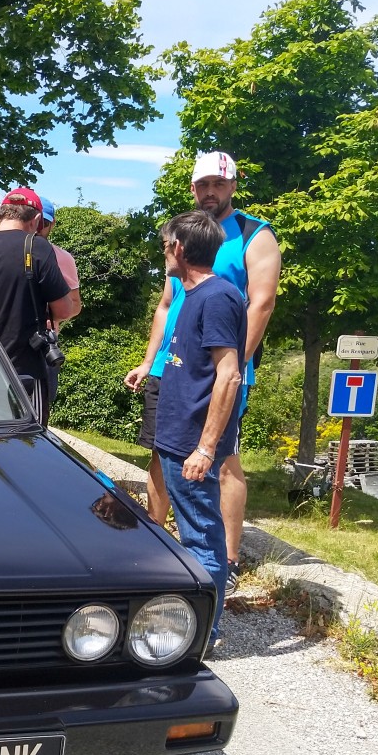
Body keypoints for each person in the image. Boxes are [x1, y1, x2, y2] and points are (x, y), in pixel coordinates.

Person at [124, 151, 281, 591]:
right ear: (193, 188)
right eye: (203, 184)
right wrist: (148, 360)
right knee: (161, 453)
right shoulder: (185, 235)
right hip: (170, 365)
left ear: (233, 186)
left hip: (216, 369)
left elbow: (262, 303)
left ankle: (225, 561)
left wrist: (229, 368)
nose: (211, 192)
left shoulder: (254, 234)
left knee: (222, 461)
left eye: (219, 183)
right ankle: (155, 544)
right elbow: (166, 303)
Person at [153, 210, 246, 653]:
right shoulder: (191, 295)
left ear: (180, 248)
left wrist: (206, 448)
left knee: (202, 539)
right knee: (194, 534)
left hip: (193, 443)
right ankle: (193, 626)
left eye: (165, 245)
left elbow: (229, 374)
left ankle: (201, 636)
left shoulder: (218, 297)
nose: (163, 253)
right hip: (176, 436)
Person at [0, 188, 81, 424]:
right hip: (24, 372)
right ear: (36, 220)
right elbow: (64, 310)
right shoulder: (37, 247)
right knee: (28, 439)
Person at [37, 194, 81, 408]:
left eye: (43, 223)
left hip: (43, 343)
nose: (38, 228)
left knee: (40, 407)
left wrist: (54, 316)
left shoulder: (62, 257)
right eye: (36, 222)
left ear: (52, 224)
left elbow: (75, 304)